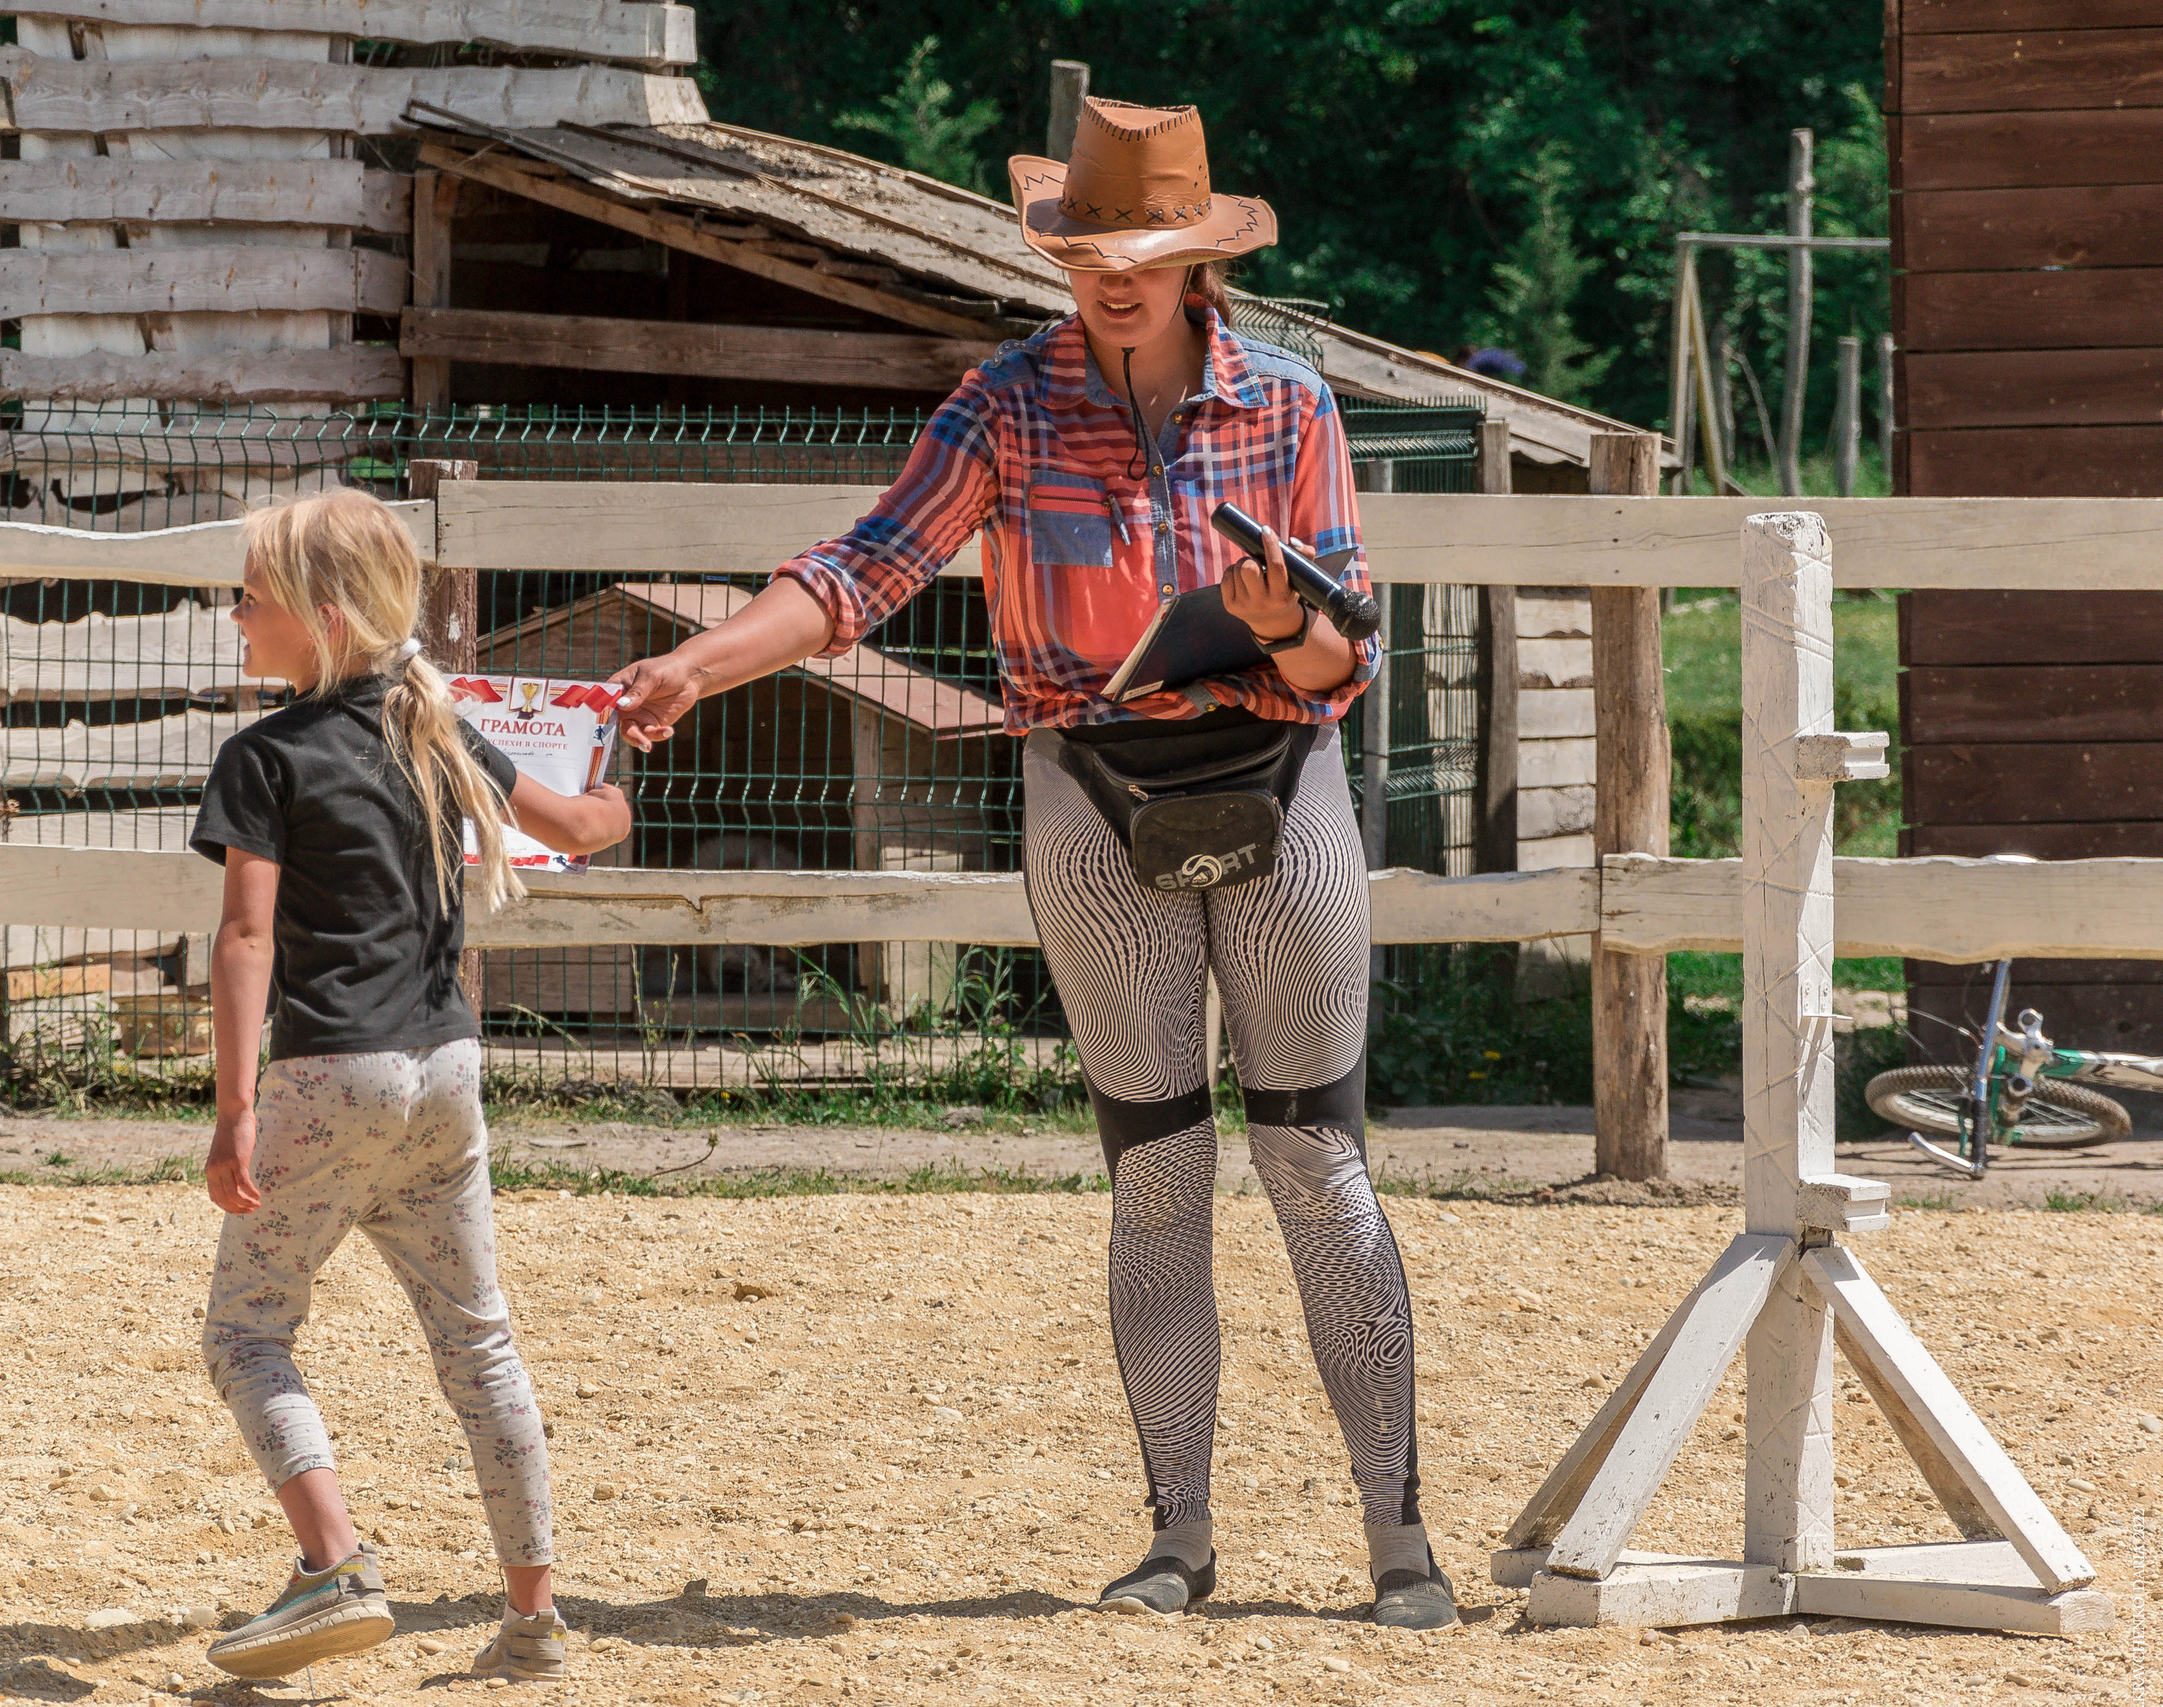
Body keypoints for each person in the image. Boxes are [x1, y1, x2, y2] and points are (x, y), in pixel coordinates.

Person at [608, 98, 1455, 1630]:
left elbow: (1346, 656)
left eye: (1135, 253)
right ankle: (1177, 1535)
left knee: (1318, 1162)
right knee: (1157, 1175)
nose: (1107, 278)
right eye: (1082, 253)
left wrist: (1275, 622)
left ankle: (1401, 1535)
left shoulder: (1293, 407)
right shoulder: (1004, 403)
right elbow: (864, 567)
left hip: (1278, 769)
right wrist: (708, 663)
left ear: (1198, 262)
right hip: (1089, 783)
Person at [188, 490, 631, 1684]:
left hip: (331, 1075)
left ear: (321, 619)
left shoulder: (263, 758)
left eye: (252, 596)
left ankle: (333, 1563)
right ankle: (533, 1618)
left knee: (246, 1331)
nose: (234, 613)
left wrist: (234, 1109)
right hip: (446, 1069)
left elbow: (243, 943)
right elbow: (584, 827)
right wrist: (624, 750)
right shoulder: (436, 730)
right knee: (478, 1344)